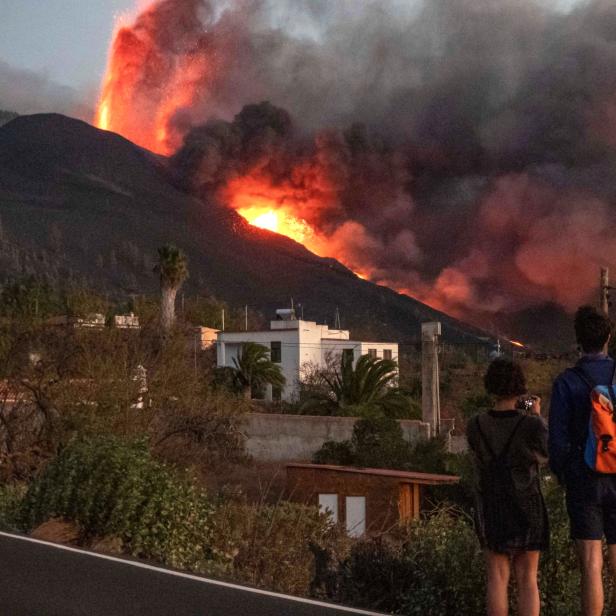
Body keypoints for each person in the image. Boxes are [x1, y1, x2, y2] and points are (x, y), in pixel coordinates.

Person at [467, 358, 548, 616]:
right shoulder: (530, 424)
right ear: (520, 388)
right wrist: (536, 415)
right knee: (528, 579)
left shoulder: (476, 424)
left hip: (493, 505)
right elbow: (548, 452)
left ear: (490, 386)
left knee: (497, 578)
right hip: (528, 505)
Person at [549, 305, 615, 616]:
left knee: (591, 562)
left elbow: (557, 442)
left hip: (585, 478)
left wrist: (567, 475)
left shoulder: (566, 382)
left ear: (578, 340)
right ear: (609, 338)